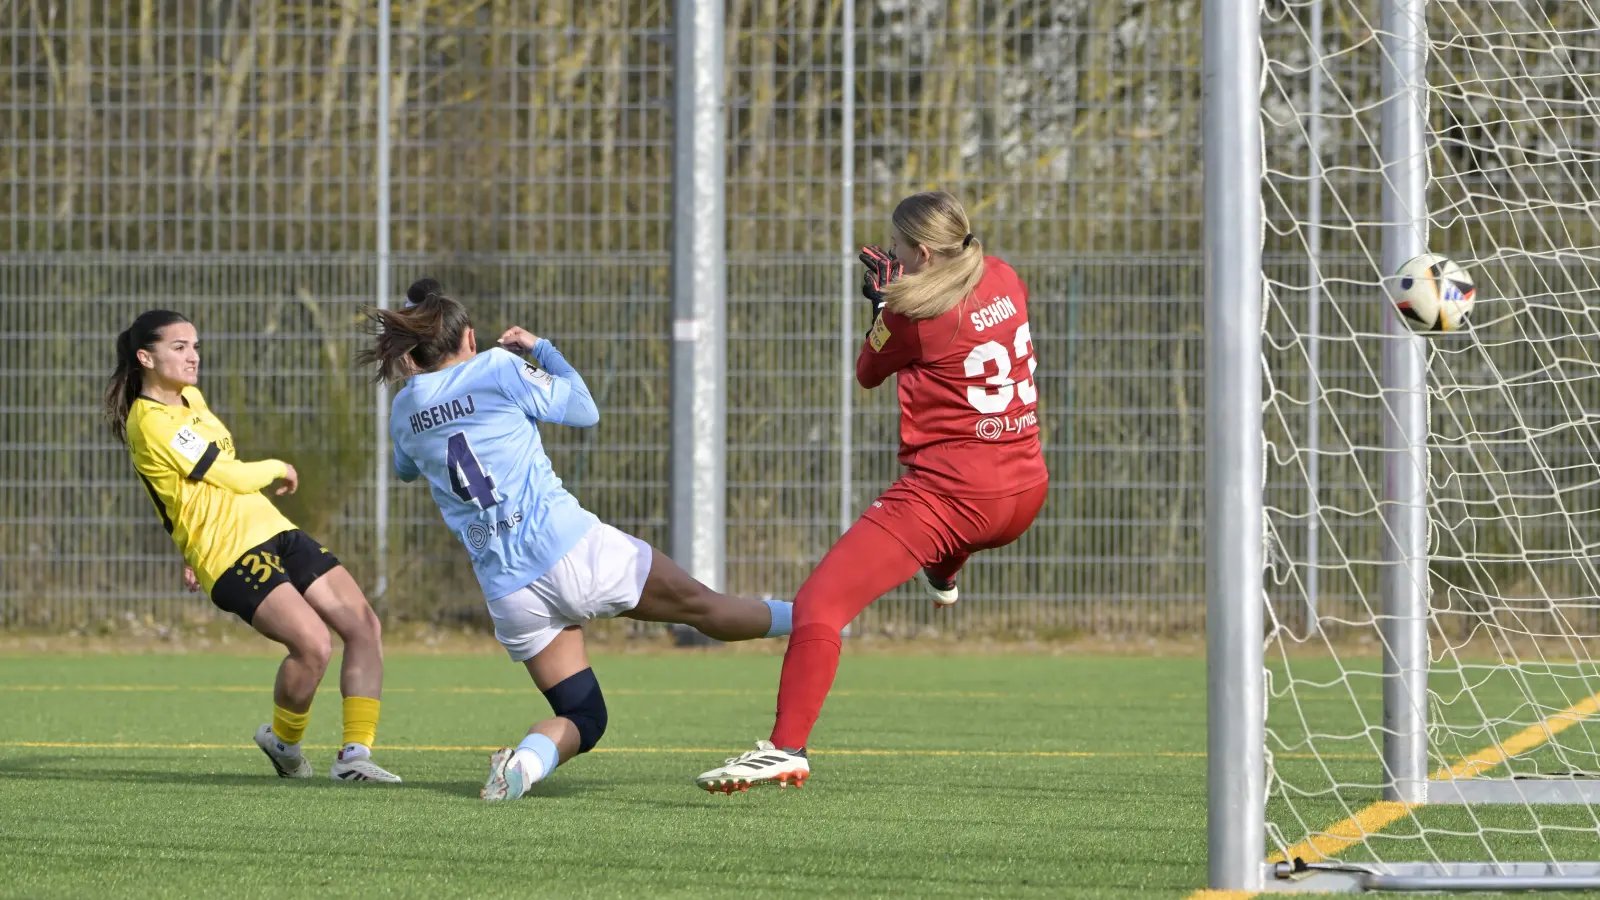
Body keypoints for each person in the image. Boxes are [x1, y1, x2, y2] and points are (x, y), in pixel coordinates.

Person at [364, 278, 793, 802]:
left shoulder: (405, 410)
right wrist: (541, 350)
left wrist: (421, 387)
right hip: (571, 549)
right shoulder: (497, 368)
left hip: (510, 592)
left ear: (413, 353)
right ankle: (816, 615)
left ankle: (522, 766)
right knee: (705, 607)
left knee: (583, 716)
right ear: (470, 339)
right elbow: (585, 409)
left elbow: (407, 469)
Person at [695, 191, 1049, 792]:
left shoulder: (915, 319)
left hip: (953, 500)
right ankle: (945, 572)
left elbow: (867, 371)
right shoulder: (1005, 275)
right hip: (1026, 492)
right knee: (945, 538)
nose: (893, 259)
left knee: (818, 606)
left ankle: (785, 749)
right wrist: (904, 293)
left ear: (926, 252)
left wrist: (887, 306)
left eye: (901, 251)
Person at [105, 310, 400, 783]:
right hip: (228, 553)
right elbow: (227, 472)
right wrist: (278, 467)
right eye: (178, 347)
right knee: (314, 646)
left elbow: (183, 489)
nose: (193, 356)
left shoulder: (191, 399)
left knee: (363, 624)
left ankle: (353, 757)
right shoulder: (151, 421)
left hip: (272, 527)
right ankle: (284, 742)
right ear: (145, 357)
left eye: (195, 345)